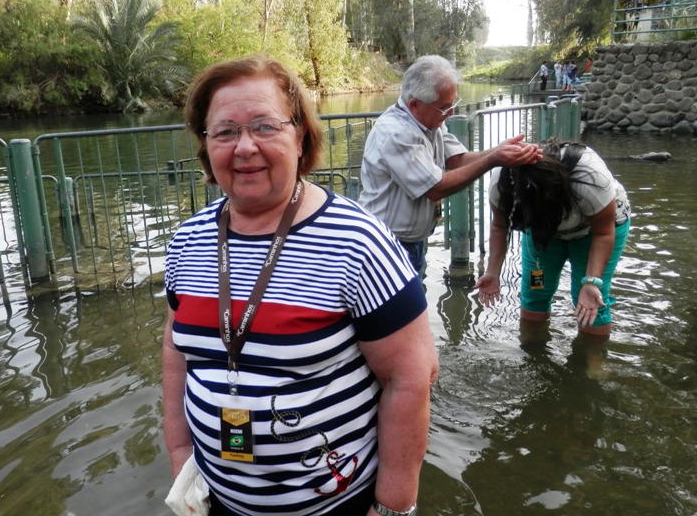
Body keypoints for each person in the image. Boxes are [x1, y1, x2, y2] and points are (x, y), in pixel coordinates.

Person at [163, 54, 439, 516]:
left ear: (300, 136)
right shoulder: (188, 241)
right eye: (225, 131)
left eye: (265, 126)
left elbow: (411, 376)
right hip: (216, 500)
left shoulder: (358, 241)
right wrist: (179, 454)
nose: (244, 147)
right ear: (206, 145)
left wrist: (393, 507)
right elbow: (176, 350)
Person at [357, 55, 542, 275]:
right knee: (396, 308)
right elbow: (435, 188)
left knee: (412, 303)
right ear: (414, 104)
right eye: (444, 108)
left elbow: (456, 160)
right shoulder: (397, 133)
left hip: (411, 241)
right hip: (385, 244)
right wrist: (494, 159)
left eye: (453, 103)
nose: (451, 113)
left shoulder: (430, 121)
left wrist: (500, 150)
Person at [474, 139, 631, 347]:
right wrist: (492, 272)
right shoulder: (503, 182)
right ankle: (532, 352)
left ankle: (593, 363)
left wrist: (592, 282)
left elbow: (604, 233)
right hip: (542, 234)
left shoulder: (590, 180)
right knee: (534, 291)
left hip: (595, 232)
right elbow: (499, 227)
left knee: (589, 299)